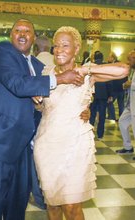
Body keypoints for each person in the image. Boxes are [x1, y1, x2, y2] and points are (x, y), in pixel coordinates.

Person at [0, 19, 85, 220]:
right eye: (17, 30)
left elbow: (49, 103)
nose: (22, 34)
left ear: (34, 37)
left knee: (17, 206)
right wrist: (59, 78)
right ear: (11, 34)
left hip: (23, 148)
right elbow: (17, 84)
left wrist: (81, 111)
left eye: (27, 31)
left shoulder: (39, 66)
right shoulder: (3, 52)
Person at [33, 26, 129, 220]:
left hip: (75, 145)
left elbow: (124, 69)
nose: (59, 50)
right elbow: (43, 107)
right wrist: (37, 102)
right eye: (56, 45)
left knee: (71, 206)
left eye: (65, 45)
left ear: (76, 49)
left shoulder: (87, 74)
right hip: (47, 145)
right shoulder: (46, 73)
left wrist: (86, 68)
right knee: (52, 205)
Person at [89, 51, 113, 140]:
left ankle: (90, 133)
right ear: (102, 58)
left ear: (94, 58)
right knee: (102, 115)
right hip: (103, 94)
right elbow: (109, 81)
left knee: (92, 114)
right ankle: (100, 134)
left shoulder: (91, 67)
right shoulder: (105, 67)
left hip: (93, 94)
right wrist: (110, 94)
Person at [116, 50, 135, 155]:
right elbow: (128, 85)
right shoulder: (132, 70)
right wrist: (126, 85)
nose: (128, 61)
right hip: (130, 103)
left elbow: (131, 84)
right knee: (122, 122)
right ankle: (128, 147)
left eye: (130, 59)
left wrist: (130, 84)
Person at [107, 51, 127, 121]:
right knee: (121, 104)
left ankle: (112, 117)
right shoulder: (121, 64)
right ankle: (120, 118)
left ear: (112, 57)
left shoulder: (115, 64)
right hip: (121, 87)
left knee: (110, 102)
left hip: (116, 87)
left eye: (109, 57)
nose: (108, 58)